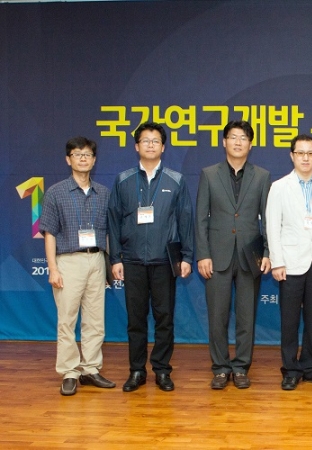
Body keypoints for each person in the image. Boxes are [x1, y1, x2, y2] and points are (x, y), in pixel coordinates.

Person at [108, 121, 194, 393]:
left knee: (164, 318)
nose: (150, 145)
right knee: (135, 319)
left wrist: (187, 257)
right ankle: (136, 370)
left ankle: (161, 370)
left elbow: (185, 221)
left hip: (164, 261)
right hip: (132, 261)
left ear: (163, 147)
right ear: (136, 146)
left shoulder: (175, 180)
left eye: (155, 141)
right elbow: (113, 220)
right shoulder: (123, 180)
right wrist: (115, 258)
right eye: (145, 140)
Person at [196, 120, 271, 390]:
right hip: (216, 256)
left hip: (250, 257)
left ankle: (240, 367)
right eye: (233, 137)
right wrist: (203, 254)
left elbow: (268, 219)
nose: (238, 142)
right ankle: (219, 368)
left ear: (251, 145)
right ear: (224, 142)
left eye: (243, 138)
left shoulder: (261, 176)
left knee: (246, 316)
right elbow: (201, 218)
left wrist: (267, 253)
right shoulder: (209, 174)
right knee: (217, 316)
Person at [40, 136, 115, 396]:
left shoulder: (104, 193)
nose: (83, 159)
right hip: (68, 261)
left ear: (94, 160)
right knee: (67, 320)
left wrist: (109, 264)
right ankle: (70, 372)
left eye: (87, 155)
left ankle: (91, 369)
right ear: (68, 159)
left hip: (96, 260)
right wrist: (53, 268)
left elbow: (108, 232)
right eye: (77, 154)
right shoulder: (56, 192)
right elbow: (49, 232)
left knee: (95, 320)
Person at [266, 134, 312, 391]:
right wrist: (277, 261)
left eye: (310, 153)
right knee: (289, 320)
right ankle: (290, 370)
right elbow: (272, 226)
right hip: (290, 262)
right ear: (292, 155)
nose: (305, 158)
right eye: (300, 153)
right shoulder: (279, 187)